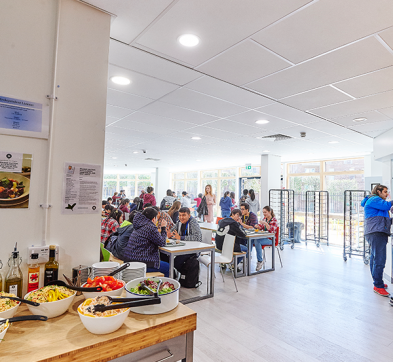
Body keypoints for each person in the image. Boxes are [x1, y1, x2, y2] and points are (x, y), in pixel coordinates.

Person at [361, 185, 393, 297]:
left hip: (376, 232)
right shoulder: (375, 199)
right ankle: (378, 285)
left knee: (374, 258)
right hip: (376, 233)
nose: (386, 194)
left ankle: (377, 282)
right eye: (385, 192)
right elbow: (388, 205)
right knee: (380, 259)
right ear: (378, 191)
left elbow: (385, 220)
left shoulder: (378, 203)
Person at [123, 207, 169, 277]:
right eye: (156, 218)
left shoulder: (138, 225)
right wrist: (163, 228)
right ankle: (163, 286)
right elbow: (162, 243)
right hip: (141, 262)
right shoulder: (150, 227)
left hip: (129, 260)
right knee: (168, 267)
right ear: (153, 219)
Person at [253, 206, 278, 271]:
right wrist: (257, 226)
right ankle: (247, 258)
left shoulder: (274, 220)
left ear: (269, 212)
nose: (264, 214)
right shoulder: (265, 219)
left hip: (271, 239)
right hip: (264, 237)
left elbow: (271, 231)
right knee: (251, 240)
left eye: (265, 212)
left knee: (257, 241)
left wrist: (265, 223)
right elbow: (261, 228)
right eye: (263, 212)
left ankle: (260, 261)